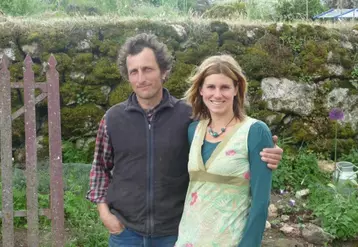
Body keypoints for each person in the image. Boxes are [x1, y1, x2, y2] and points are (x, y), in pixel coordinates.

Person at [86, 33, 283, 247]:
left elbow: (230, 137)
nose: (141, 78)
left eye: (148, 69)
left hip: (174, 234)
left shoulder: (189, 118)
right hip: (126, 234)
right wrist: (105, 214)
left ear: (164, 71)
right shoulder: (113, 119)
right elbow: (99, 169)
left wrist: (269, 151)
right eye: (134, 71)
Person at [175, 54, 273, 247]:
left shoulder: (255, 132)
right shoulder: (193, 131)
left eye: (225, 87)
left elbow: (261, 202)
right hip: (188, 240)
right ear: (201, 90)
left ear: (236, 89)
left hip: (230, 241)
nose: (217, 94)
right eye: (211, 87)